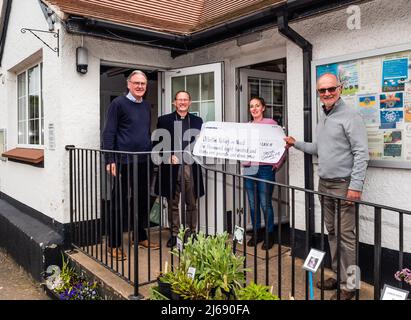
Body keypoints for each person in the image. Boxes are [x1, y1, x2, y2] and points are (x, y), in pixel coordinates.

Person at [284, 73, 369, 300]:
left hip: (344, 186)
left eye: (331, 89)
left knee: (346, 238)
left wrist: (356, 186)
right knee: (332, 233)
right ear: (318, 93)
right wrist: (296, 144)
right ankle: (339, 277)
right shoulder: (324, 115)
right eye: (323, 91)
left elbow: (362, 153)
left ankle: (350, 286)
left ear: (340, 88)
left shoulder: (351, 116)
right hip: (325, 185)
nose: (327, 93)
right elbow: (319, 148)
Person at [103, 70, 160, 261]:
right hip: (123, 161)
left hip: (143, 161)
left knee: (142, 201)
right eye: (136, 83)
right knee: (119, 203)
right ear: (128, 84)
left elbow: (144, 131)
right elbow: (109, 133)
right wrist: (110, 159)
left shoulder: (145, 106)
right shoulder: (118, 104)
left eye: (143, 84)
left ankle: (140, 236)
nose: (140, 86)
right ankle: (114, 244)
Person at [154, 91, 204, 248]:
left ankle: (191, 233)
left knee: (192, 202)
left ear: (190, 103)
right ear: (174, 102)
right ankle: (175, 234)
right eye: (179, 100)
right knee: (173, 203)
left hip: (190, 167)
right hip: (171, 168)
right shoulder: (164, 120)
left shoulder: (198, 121)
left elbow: (201, 144)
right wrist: (167, 157)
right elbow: (157, 143)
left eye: (185, 100)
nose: (182, 102)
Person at [243, 97, 286, 250]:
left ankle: (269, 235)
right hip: (249, 169)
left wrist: (277, 163)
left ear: (263, 107)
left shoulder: (271, 124)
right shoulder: (246, 127)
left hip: (266, 169)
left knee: (264, 203)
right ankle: (256, 233)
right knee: (253, 204)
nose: (254, 109)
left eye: (257, 106)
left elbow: (282, 145)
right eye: (251, 106)